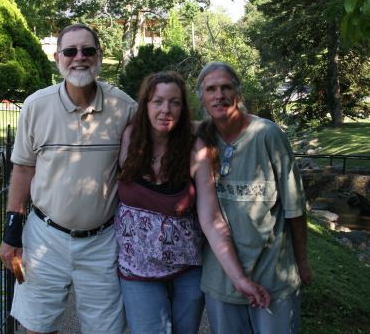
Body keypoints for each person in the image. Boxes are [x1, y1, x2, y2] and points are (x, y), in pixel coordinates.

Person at [0, 23, 136, 334]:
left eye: (88, 50)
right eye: (70, 51)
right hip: (44, 238)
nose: (79, 57)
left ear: (99, 54)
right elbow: (23, 169)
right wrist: (11, 234)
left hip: (103, 242)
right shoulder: (36, 106)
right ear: (57, 58)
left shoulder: (124, 108)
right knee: (36, 327)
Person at [115, 71, 270, 334]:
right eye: (158, 101)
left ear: (183, 108)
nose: (166, 109)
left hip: (187, 270)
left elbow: (211, 219)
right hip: (137, 270)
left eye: (174, 102)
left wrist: (239, 279)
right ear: (146, 105)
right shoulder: (130, 137)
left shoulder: (195, 148)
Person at [195, 62, 313, 334]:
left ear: (238, 93)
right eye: (211, 89)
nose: (219, 95)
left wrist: (302, 263)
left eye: (226, 87)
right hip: (221, 282)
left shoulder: (267, 135)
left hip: (273, 278)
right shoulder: (201, 140)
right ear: (202, 98)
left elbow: (295, 208)